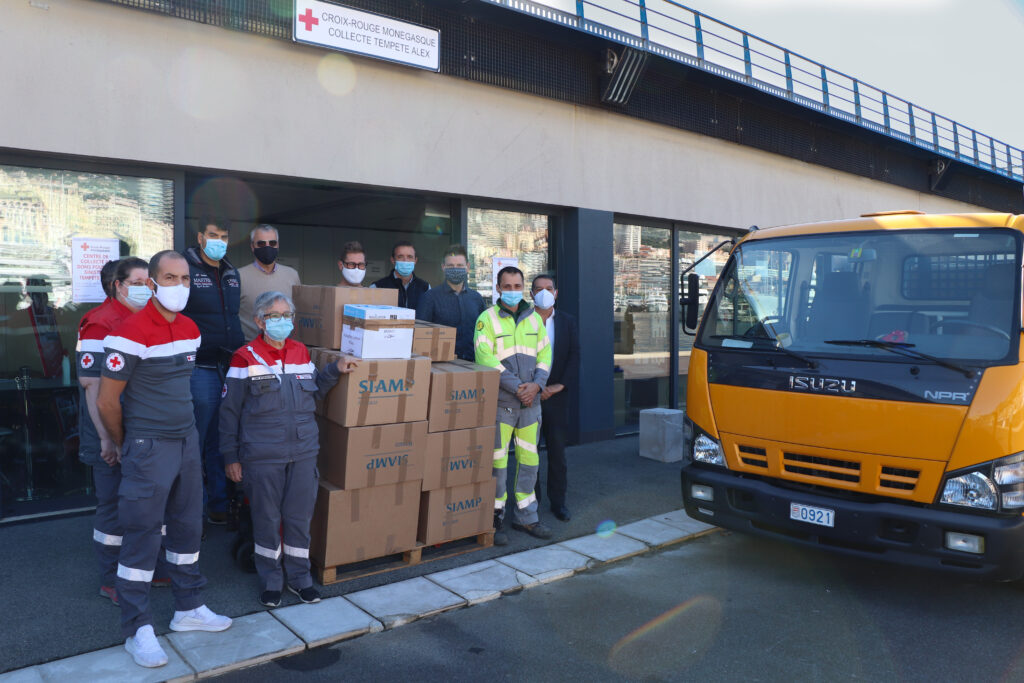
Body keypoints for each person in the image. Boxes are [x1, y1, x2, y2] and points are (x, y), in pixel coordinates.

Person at [97, 250, 232, 669]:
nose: (180, 286)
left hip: (186, 442)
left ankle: (189, 608)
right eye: (170, 278)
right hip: (148, 445)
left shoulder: (191, 329)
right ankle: (137, 628)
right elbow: (106, 400)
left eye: (186, 279)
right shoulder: (128, 332)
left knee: (188, 528)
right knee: (141, 536)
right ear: (152, 283)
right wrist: (125, 442)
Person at [220, 291, 358, 607]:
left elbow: (316, 391)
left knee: (298, 519)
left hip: (303, 452)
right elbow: (229, 412)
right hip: (262, 455)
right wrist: (231, 456)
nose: (282, 321)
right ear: (259, 320)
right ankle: (271, 580)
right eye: (274, 316)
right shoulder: (244, 357)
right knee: (267, 520)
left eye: (287, 315)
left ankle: (300, 579)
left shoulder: (300, 353)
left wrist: (335, 369)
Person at [77, 257, 167, 604]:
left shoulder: (146, 319)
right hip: (109, 430)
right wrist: (106, 438)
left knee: (151, 502)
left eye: (150, 282)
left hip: (143, 428)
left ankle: (152, 568)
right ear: (119, 285)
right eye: (140, 282)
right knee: (113, 506)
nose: (148, 288)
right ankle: (112, 578)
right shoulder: (100, 323)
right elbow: (92, 386)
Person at [474, 266, 553, 545]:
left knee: (530, 461)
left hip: (531, 406)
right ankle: (494, 521)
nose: (512, 290)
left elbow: (545, 354)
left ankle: (527, 518)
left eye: (517, 285)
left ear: (523, 287)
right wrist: (519, 388)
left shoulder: (535, 321)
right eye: (506, 286)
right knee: (498, 464)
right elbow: (485, 359)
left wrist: (537, 385)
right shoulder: (486, 319)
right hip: (503, 405)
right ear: (497, 288)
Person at [182, 217, 243, 525]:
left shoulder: (232, 273)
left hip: (229, 368)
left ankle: (219, 504)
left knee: (223, 439)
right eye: (213, 235)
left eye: (224, 236)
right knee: (197, 441)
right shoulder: (187, 270)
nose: (219, 240)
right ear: (200, 237)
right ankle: (195, 509)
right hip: (200, 369)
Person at [531, 274, 579, 522]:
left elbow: (574, 356)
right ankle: (531, 504)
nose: (544, 292)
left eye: (549, 288)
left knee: (557, 454)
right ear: (531, 295)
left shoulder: (568, 322)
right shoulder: (523, 321)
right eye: (539, 289)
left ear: (556, 293)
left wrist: (559, 386)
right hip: (529, 397)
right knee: (529, 454)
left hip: (557, 397)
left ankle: (558, 503)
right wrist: (534, 388)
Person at [416, 245, 486, 361]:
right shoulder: (430, 298)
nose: (455, 269)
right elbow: (421, 335)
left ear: (467, 267)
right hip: (442, 365)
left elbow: (484, 332)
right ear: (443, 267)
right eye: (450, 266)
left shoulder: (476, 299)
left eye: (459, 265)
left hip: (474, 364)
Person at [238, 224, 301, 340]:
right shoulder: (238, 276)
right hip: (250, 348)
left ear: (278, 245)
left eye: (272, 243)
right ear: (252, 246)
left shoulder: (292, 275)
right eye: (261, 244)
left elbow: (296, 311)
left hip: (284, 347)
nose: (267, 247)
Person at [370, 241, 429, 310]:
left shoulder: (425, 288)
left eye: (410, 257)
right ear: (393, 260)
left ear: (415, 261)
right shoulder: (377, 287)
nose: (405, 261)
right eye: (400, 257)